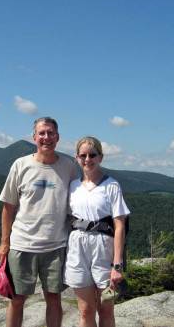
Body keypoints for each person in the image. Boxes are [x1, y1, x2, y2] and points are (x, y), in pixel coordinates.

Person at [0, 117, 78, 327]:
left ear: (57, 137)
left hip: (56, 245)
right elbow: (8, 207)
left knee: (53, 298)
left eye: (51, 133)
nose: (46, 137)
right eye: (42, 133)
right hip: (22, 244)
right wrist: (4, 242)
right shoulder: (21, 165)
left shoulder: (68, 166)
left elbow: (76, 205)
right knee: (16, 300)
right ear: (34, 137)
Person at [64, 136, 130, 327]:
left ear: (100, 157)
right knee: (85, 311)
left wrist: (117, 265)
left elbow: (120, 226)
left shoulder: (111, 186)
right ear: (76, 158)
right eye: (82, 155)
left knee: (106, 309)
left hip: (103, 248)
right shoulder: (73, 186)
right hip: (77, 246)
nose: (87, 159)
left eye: (92, 155)